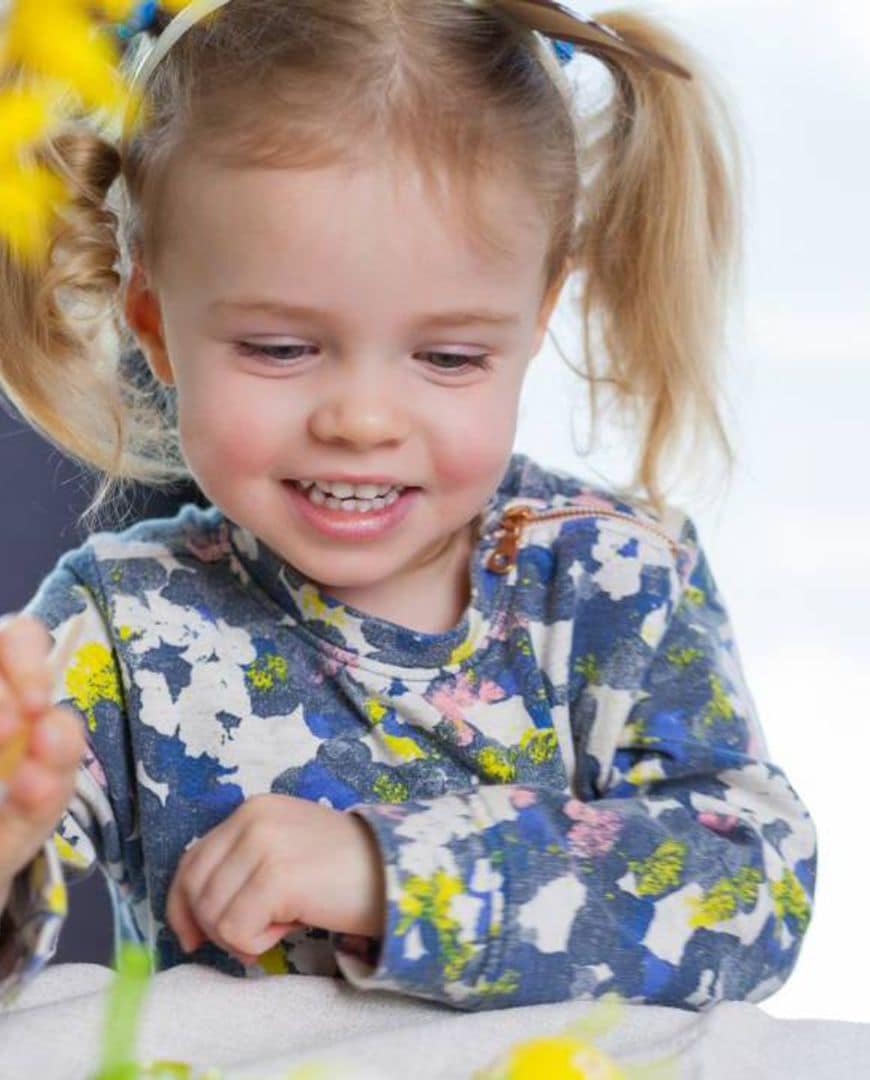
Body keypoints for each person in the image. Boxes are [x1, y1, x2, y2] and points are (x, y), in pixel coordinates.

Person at [0, 0, 817, 1012]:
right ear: (157, 329)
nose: (361, 419)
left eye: (448, 357)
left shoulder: (617, 579)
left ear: (535, 322)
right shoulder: (115, 624)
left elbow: (753, 885)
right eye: (281, 348)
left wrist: (388, 872)